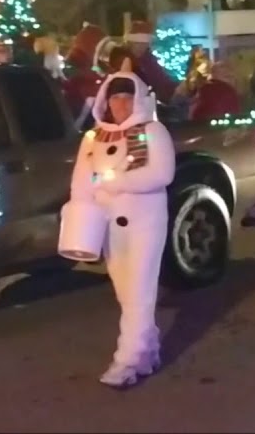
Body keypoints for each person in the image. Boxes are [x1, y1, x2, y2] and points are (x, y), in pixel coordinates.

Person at [70, 59, 175, 388]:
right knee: (127, 295)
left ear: (140, 99)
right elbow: (81, 182)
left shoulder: (153, 131)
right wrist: (78, 214)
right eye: (114, 97)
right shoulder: (93, 138)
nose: (120, 104)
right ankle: (149, 350)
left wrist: (118, 183)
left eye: (127, 97)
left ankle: (126, 361)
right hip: (109, 227)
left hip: (146, 223)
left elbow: (162, 174)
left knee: (140, 292)